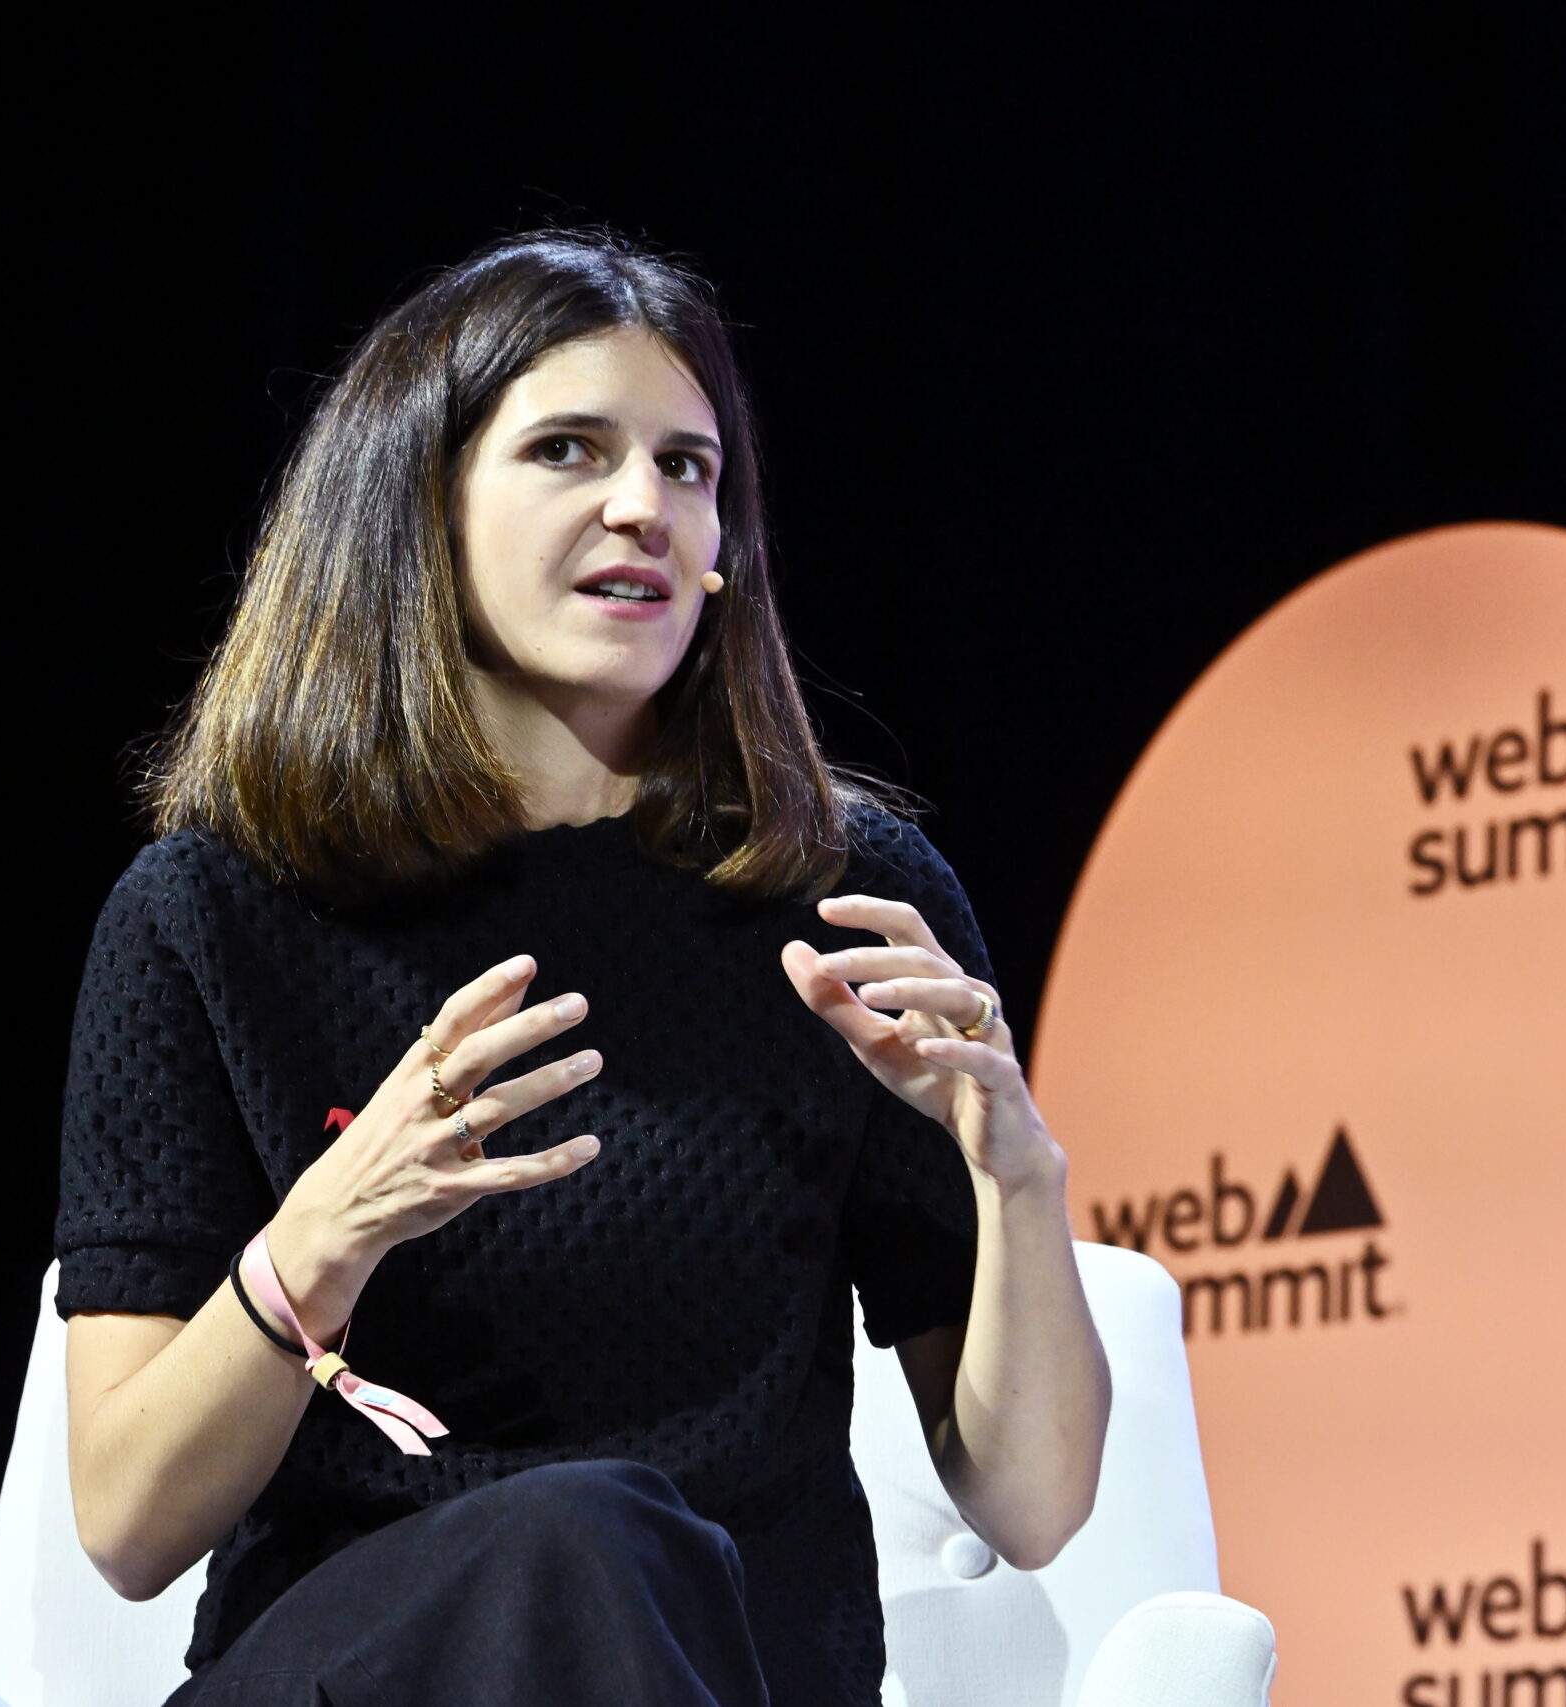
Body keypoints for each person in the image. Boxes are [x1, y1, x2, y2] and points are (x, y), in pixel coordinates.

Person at [55, 231, 1112, 1707]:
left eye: (689, 468)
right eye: (570, 450)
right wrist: (326, 1239)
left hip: (726, 1673)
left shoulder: (845, 902)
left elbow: (1035, 1504)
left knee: (611, 1545)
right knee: (580, 1534)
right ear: (419, 509)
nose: (645, 507)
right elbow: (125, 1524)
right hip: (356, 1674)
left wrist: (1016, 1175)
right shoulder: (210, 914)